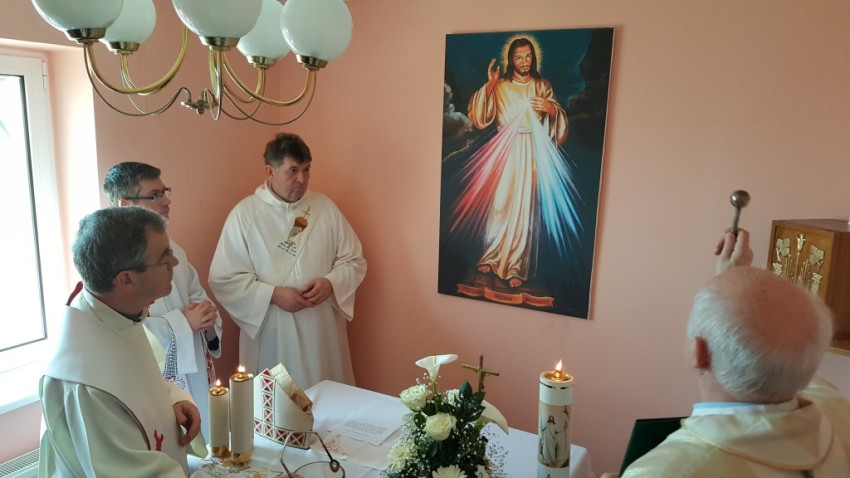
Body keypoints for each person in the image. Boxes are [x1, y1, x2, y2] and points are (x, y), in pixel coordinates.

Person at [621, 229, 850, 477]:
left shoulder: (668, 471)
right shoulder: (838, 413)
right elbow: (782, 362)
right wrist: (733, 280)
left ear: (698, 352)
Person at [39, 207, 201, 477]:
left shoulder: (114, 313)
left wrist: (171, 400)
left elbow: (135, 378)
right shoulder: (88, 383)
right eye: (165, 257)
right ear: (126, 279)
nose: (174, 262)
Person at [209, 132, 366, 389]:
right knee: (279, 401)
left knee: (327, 396)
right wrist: (273, 294)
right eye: (293, 171)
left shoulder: (325, 208)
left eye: (306, 169)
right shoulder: (244, 215)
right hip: (274, 328)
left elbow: (354, 260)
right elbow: (223, 278)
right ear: (270, 171)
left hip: (321, 329)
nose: (302, 179)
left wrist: (331, 283)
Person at [103, 162, 222, 440]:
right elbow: (121, 333)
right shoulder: (111, 264)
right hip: (153, 383)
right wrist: (183, 323)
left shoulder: (173, 249)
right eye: (155, 195)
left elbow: (196, 294)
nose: (166, 201)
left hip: (193, 367)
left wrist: (206, 316)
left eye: (165, 191)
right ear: (125, 205)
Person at [452, 36, 579, 289]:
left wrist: (551, 109)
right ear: (511, 60)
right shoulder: (500, 85)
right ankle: (491, 255)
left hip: (532, 150)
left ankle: (516, 266)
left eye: (528, 56)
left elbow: (558, 121)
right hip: (506, 149)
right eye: (518, 57)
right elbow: (479, 118)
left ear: (534, 57)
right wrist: (489, 85)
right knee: (500, 203)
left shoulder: (542, 85)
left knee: (524, 208)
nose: (524, 62)